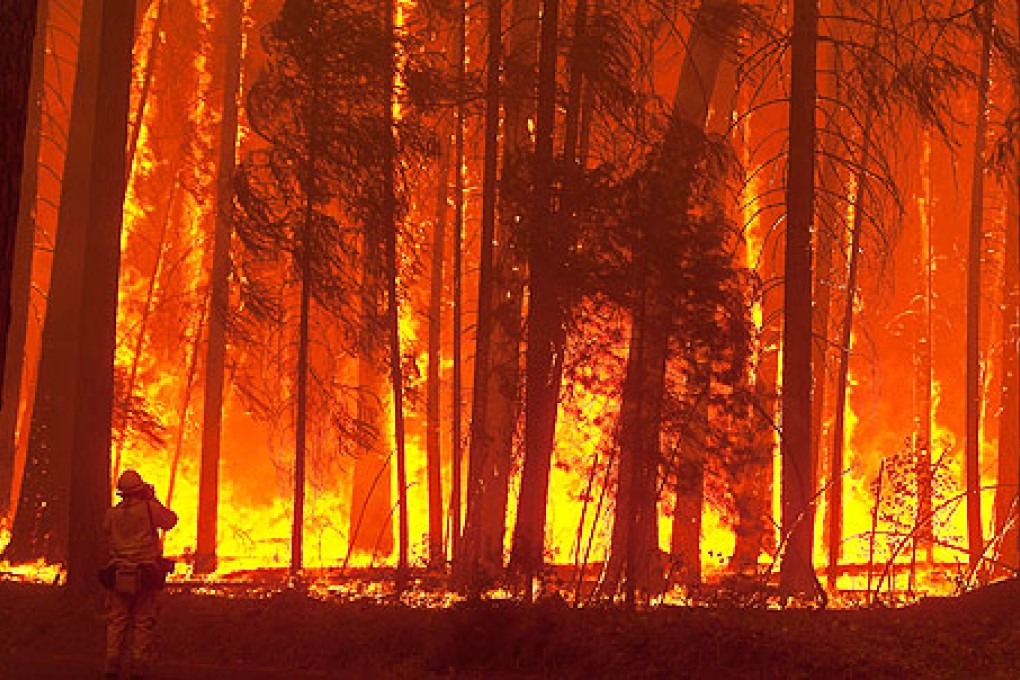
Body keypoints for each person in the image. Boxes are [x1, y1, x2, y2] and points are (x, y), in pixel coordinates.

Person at [102, 469, 178, 680]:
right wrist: (153, 499)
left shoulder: (112, 514)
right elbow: (171, 521)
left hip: (118, 573)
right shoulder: (149, 509)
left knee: (117, 621)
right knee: (143, 621)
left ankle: (111, 665)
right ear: (140, 490)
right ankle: (138, 666)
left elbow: (106, 530)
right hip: (144, 573)